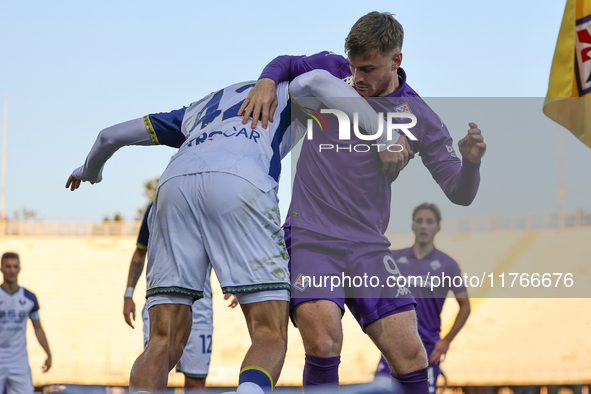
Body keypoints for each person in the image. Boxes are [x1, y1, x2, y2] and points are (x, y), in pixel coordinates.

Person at [66, 70, 389, 394]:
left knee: (163, 340)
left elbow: (109, 136)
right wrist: (384, 134)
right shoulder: (285, 90)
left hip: (173, 187)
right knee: (269, 334)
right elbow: (316, 80)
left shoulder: (201, 107)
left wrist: (89, 171)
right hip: (241, 181)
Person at [238, 11, 486, 393]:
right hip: (311, 235)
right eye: (353, 67)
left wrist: (470, 164)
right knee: (322, 342)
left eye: (368, 69)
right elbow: (287, 62)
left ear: (395, 61)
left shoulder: (418, 115)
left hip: (368, 246)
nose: (357, 79)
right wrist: (267, 82)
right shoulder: (333, 71)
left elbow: (459, 191)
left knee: (411, 358)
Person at [123, 202, 238, 390]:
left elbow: (222, 250)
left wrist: (233, 281)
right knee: (154, 369)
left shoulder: (208, 205)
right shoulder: (156, 207)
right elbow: (140, 251)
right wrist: (128, 294)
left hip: (199, 307)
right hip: (160, 302)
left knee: (195, 381)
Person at [375, 203, 471, 393]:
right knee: (378, 390)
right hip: (394, 344)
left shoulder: (448, 265)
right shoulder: (392, 258)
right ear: (413, 226)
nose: (424, 226)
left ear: (437, 227)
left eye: (429, 222)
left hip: (427, 347)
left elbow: (465, 306)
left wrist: (446, 341)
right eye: (419, 221)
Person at [0, 252, 52, 394]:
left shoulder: (29, 297)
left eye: (15, 266)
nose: (12, 270)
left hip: (19, 361)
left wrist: (48, 354)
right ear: (1, 269)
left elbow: (38, 328)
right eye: (8, 266)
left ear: (19, 269)